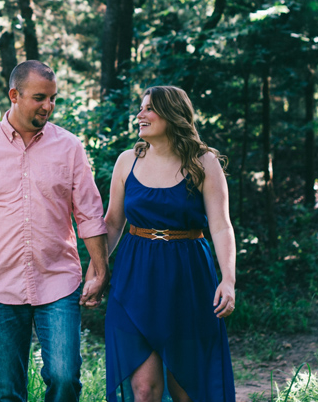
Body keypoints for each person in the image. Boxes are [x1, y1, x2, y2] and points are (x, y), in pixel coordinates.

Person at [0, 60, 109, 402]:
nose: (48, 106)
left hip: (59, 281)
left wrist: (100, 269)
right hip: (0, 284)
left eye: (53, 98)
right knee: (6, 392)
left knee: (64, 378)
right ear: (14, 95)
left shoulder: (70, 147)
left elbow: (89, 214)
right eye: (39, 97)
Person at [92, 85, 236, 402]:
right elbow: (113, 222)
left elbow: (221, 226)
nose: (139, 115)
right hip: (135, 278)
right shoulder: (126, 161)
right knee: (144, 389)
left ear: (172, 114)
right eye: (140, 108)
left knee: (186, 388)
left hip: (187, 278)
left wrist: (228, 279)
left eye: (148, 109)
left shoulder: (204, 163)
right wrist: (97, 272)